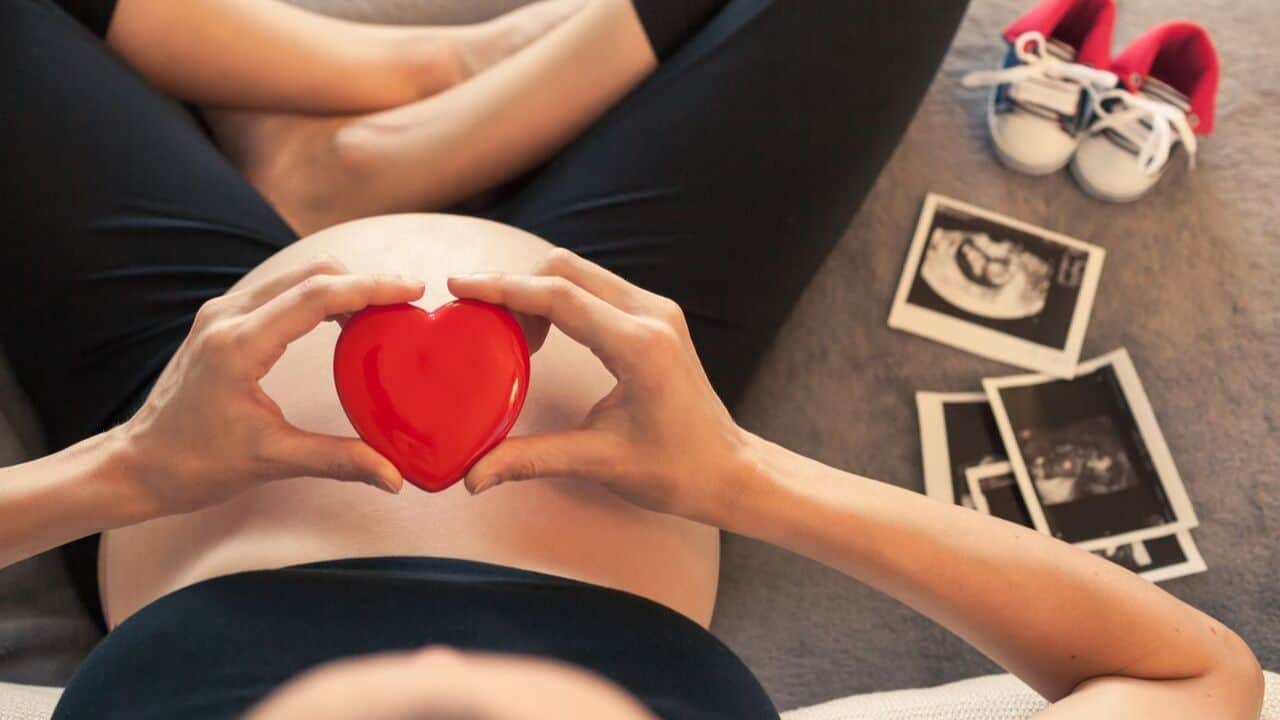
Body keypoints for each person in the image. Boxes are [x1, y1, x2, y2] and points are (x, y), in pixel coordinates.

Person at [0, 1, 1262, 719]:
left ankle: (394, 99)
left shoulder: (149, 453)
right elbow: (1184, 676)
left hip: (181, 386)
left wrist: (126, 467)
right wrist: (738, 476)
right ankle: (417, 124)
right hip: (631, 392)